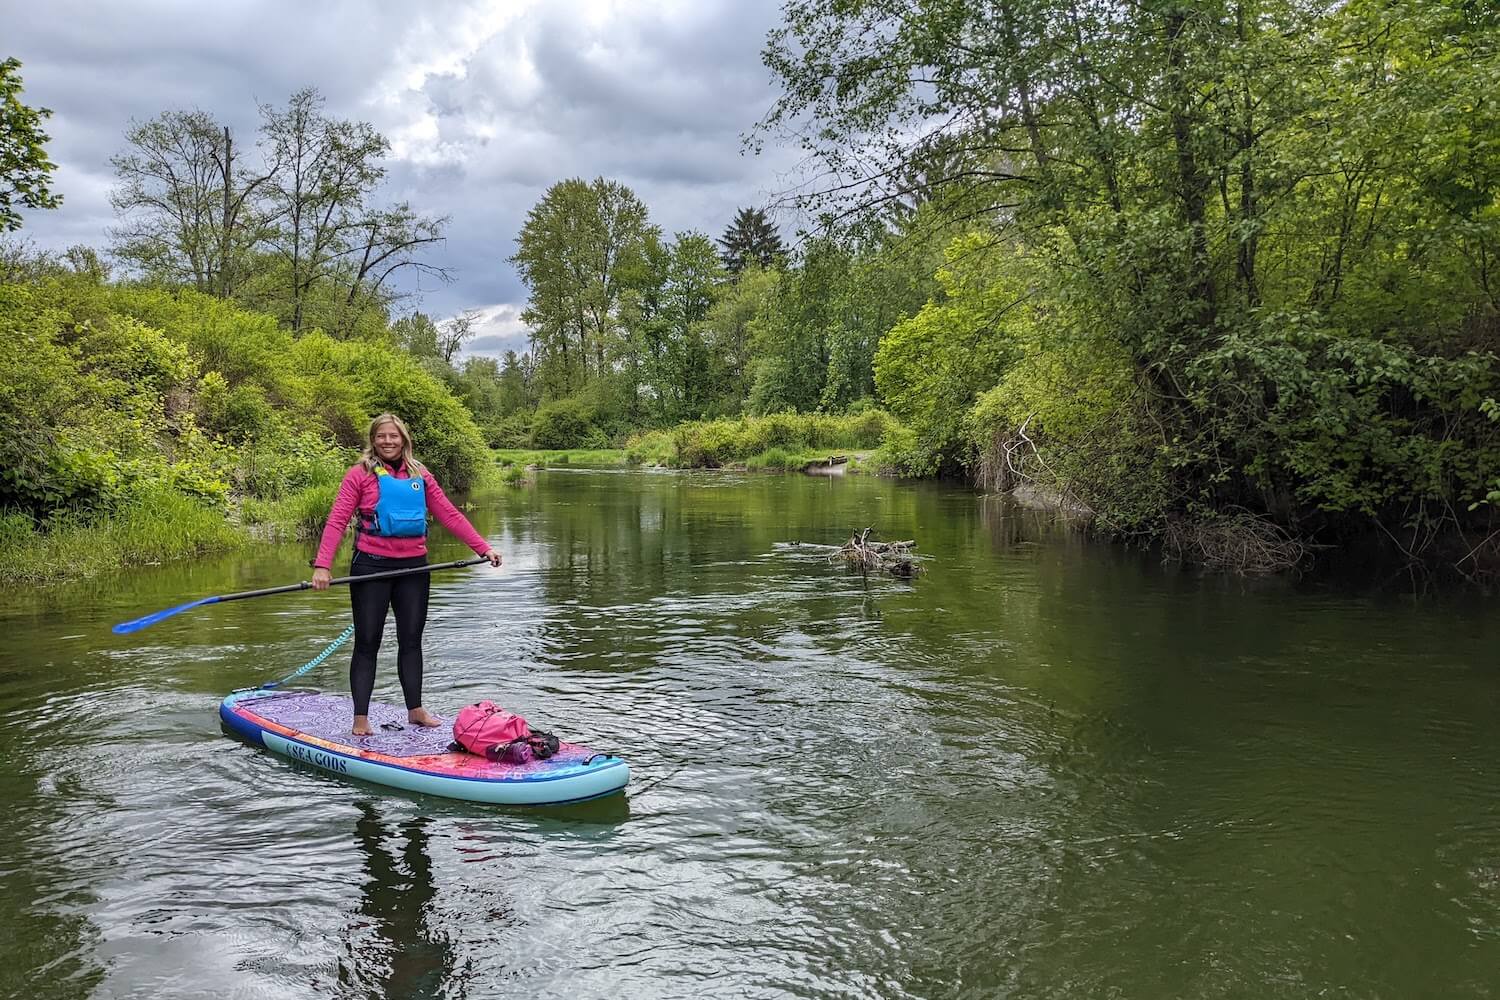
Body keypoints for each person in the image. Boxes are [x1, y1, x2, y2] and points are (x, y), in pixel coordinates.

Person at [312, 413, 501, 735]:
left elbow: (450, 515)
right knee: (367, 642)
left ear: (404, 440)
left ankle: (415, 710)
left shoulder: (421, 475)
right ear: (373, 440)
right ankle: (360, 719)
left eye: (394, 436)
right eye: (382, 436)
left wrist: (483, 548)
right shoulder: (359, 474)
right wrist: (322, 565)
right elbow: (337, 520)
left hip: (415, 567)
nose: (388, 441)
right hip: (370, 567)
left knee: (411, 641)